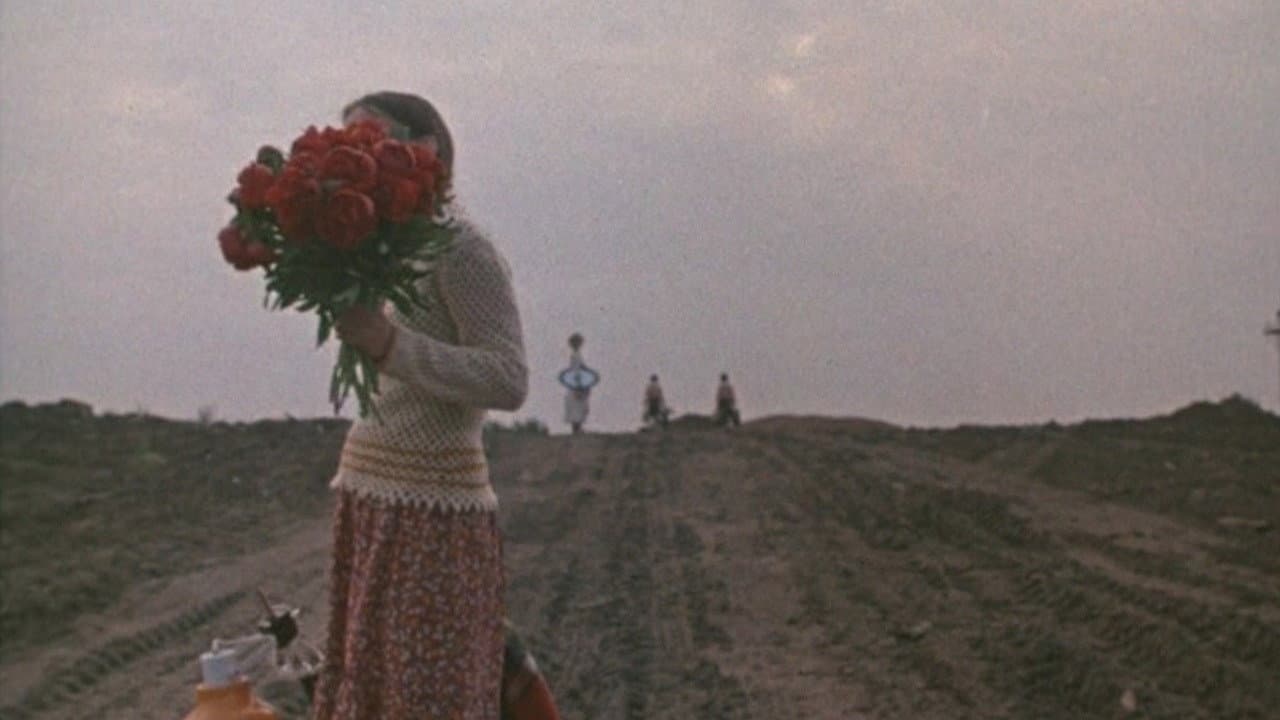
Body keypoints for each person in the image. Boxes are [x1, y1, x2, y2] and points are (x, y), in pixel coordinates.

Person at [316, 91, 555, 719]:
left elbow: (507, 377)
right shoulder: (382, 249)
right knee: (369, 686)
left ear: (426, 152)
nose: (354, 159)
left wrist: (391, 345)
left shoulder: (463, 250)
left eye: (370, 141)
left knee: (426, 696)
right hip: (368, 495)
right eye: (345, 145)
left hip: (433, 513)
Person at [562, 333, 591, 434]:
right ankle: (576, 428)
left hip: (579, 381)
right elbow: (576, 370)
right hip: (576, 382)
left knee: (579, 405)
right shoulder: (575, 356)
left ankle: (578, 427)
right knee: (576, 405)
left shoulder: (577, 355)